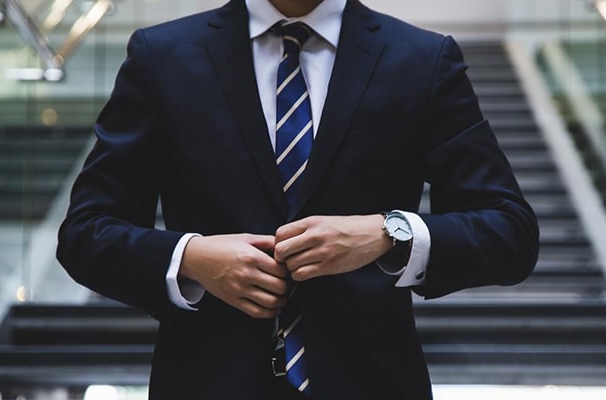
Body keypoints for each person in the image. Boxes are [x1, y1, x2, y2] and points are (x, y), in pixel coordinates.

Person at [56, 0, 540, 398]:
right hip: (207, 382)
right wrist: (191, 258)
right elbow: (86, 232)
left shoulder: (422, 59)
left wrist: (388, 232)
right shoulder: (161, 56)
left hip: (372, 382)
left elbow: (509, 231)